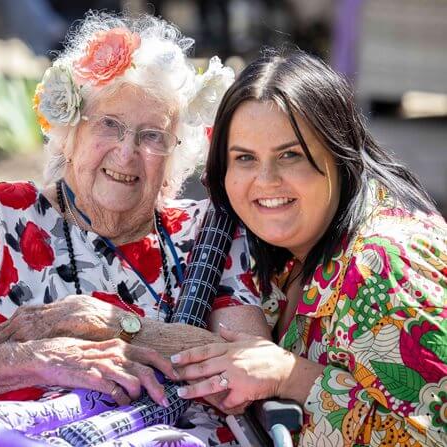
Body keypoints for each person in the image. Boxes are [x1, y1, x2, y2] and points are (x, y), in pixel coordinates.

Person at [0, 11, 269, 444]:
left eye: (152, 136)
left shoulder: (204, 232)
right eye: (109, 124)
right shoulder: (5, 213)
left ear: (177, 151)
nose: (126, 153)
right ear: (72, 130)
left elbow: (249, 366)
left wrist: (110, 323)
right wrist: (39, 359)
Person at [172, 50, 447, 446]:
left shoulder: (385, 261)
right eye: (245, 158)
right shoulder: (287, 251)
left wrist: (290, 376)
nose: (265, 181)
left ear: (339, 154)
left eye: (290, 155)